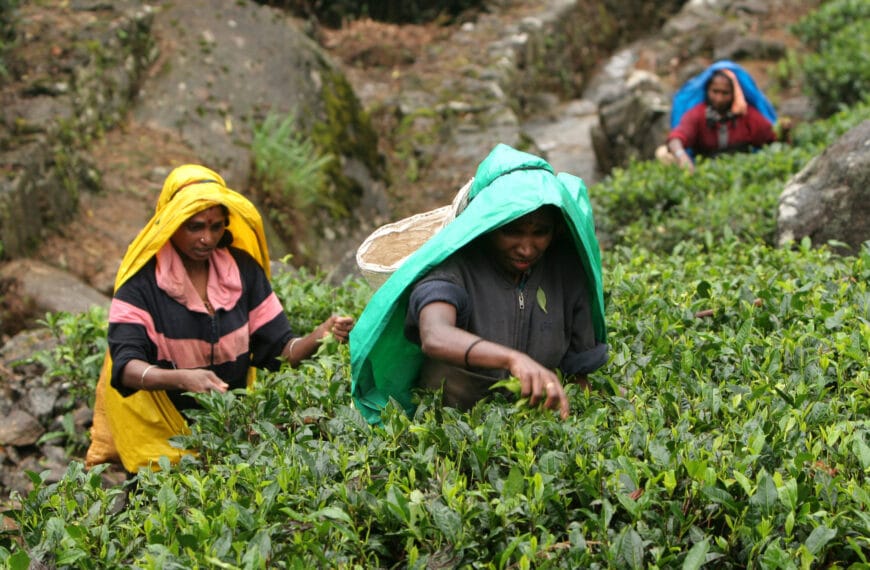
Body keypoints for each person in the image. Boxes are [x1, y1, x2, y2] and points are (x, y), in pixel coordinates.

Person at [86, 164, 354, 473]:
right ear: (172, 223)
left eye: (216, 227)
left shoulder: (242, 271)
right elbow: (126, 366)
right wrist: (183, 378)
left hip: (230, 439)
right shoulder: (142, 283)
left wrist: (319, 335)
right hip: (162, 448)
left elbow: (279, 349)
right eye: (195, 226)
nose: (207, 238)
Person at [350, 143, 608, 423]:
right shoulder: (454, 269)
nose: (526, 248)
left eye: (540, 233)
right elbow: (435, 334)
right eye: (512, 231)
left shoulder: (564, 269)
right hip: (455, 426)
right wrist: (512, 359)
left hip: (533, 424)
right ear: (487, 227)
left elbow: (579, 373)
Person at [656, 60, 787, 173]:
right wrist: (682, 158)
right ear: (707, 91)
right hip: (704, 170)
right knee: (663, 154)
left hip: (741, 170)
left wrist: (784, 131)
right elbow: (676, 139)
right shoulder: (698, 115)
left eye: (725, 93)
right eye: (715, 92)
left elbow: (772, 139)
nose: (719, 98)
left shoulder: (747, 116)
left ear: (734, 94)